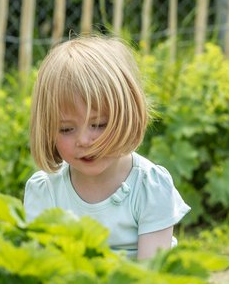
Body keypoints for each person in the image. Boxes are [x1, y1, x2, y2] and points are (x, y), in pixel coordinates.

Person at [23, 36, 190, 260]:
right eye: (66, 129)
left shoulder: (149, 187)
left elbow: (153, 280)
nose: (83, 140)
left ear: (128, 115)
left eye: (98, 124)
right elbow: (41, 270)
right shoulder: (45, 191)